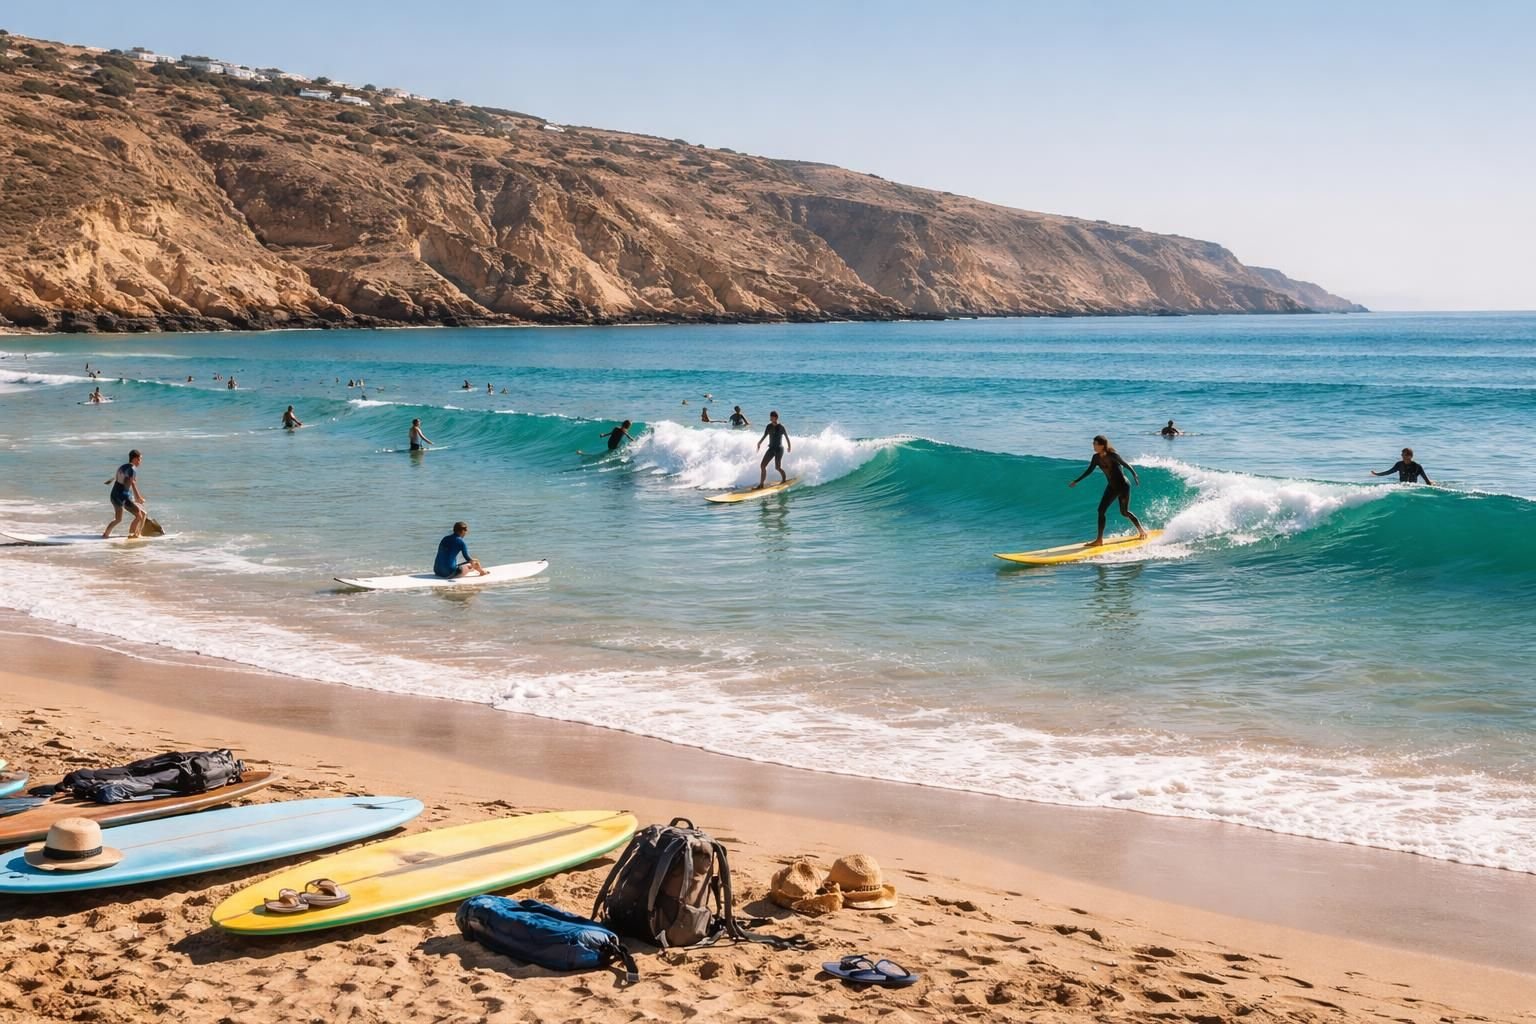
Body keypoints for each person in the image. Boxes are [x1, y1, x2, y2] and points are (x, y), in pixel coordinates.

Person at [1068, 434, 1148, 545]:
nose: (1093, 445)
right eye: (1093, 443)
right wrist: (1076, 481)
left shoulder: (1113, 455)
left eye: (1095, 444)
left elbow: (1125, 464)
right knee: (1101, 511)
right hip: (1111, 487)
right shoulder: (1096, 458)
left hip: (1123, 486)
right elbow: (1089, 470)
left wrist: (1134, 474)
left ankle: (1142, 531)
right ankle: (1099, 540)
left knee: (1124, 512)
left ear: (1102, 445)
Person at [102, 449, 147, 539]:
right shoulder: (132, 469)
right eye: (139, 459)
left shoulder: (123, 467)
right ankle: (133, 535)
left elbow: (118, 478)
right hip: (123, 497)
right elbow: (131, 483)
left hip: (114, 495)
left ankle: (105, 535)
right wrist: (138, 497)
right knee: (140, 515)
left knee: (118, 519)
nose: (140, 462)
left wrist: (110, 481)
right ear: (134, 459)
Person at [757, 410, 791, 487]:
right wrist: (759, 442)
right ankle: (761, 484)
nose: (771, 418)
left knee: (777, 467)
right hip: (771, 449)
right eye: (771, 417)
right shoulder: (768, 426)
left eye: (773, 417)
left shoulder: (781, 427)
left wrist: (789, 446)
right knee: (762, 465)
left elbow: (786, 437)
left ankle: (784, 480)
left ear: (776, 418)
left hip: (779, 449)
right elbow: (764, 435)